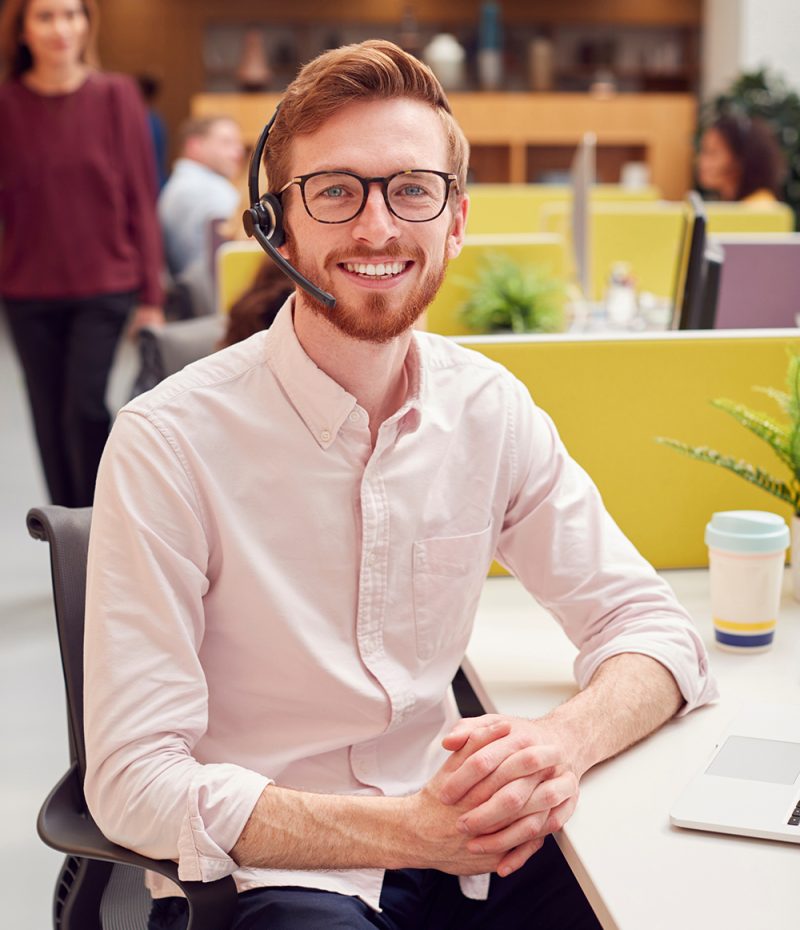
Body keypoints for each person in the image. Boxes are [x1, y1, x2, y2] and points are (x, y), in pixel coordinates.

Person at [83, 40, 717, 930]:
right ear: (280, 224)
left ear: (455, 220)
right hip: (277, 875)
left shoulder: (489, 410)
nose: (378, 229)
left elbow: (652, 628)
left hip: (460, 849)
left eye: (411, 189)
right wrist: (408, 832)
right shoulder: (169, 443)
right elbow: (132, 782)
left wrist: (556, 745)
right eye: (336, 191)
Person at [0, 0, 163, 508]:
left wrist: (152, 295)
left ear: (87, 24)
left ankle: (101, 528)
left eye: (71, 14)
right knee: (47, 419)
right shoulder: (5, 105)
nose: (60, 27)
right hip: (26, 291)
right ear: (23, 30)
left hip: (106, 285)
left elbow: (141, 194)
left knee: (85, 408)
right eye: (45, 16)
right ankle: (65, 541)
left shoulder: (116, 96)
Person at [157, 115, 245, 316]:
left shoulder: (179, 186)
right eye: (226, 142)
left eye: (238, 143)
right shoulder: (209, 190)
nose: (238, 150)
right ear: (195, 146)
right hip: (214, 309)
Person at [697, 112, 786, 204]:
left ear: (740, 159)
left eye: (712, 153)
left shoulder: (760, 208)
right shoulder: (736, 205)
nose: (700, 161)